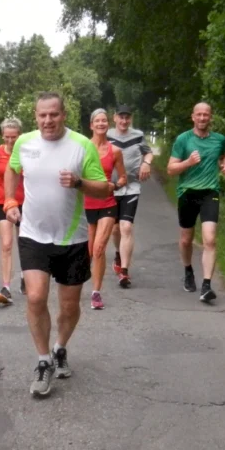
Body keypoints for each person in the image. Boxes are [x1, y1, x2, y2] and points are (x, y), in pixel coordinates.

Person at [3, 92, 112, 397]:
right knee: (36, 297)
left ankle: (60, 347)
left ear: (64, 114)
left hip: (72, 238)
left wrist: (79, 182)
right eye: (42, 115)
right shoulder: (24, 143)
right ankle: (42, 361)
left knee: (69, 306)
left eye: (54, 114)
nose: (48, 120)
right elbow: (11, 169)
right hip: (33, 234)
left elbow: (104, 190)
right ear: (35, 117)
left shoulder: (82, 145)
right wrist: (11, 199)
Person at [166, 102, 225, 304]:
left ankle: (206, 285)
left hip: (210, 193)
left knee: (210, 240)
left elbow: (223, 155)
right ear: (193, 117)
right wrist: (188, 163)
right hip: (187, 193)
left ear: (210, 117)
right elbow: (170, 170)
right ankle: (188, 270)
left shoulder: (219, 140)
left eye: (206, 115)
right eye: (199, 115)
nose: (203, 118)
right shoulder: (183, 140)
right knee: (186, 239)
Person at [107, 104, 154, 288]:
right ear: (115, 118)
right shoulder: (107, 135)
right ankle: (118, 254)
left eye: (127, 117)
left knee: (126, 227)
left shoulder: (138, 135)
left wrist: (147, 163)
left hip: (132, 187)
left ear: (130, 119)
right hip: (111, 187)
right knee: (115, 229)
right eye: (121, 117)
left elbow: (148, 152)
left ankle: (124, 272)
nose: (124, 121)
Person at [84, 109, 127, 310]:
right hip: (87, 204)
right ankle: (80, 282)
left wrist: (115, 186)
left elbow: (123, 177)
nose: (101, 124)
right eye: (97, 121)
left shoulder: (115, 151)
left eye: (104, 121)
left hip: (108, 203)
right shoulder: (83, 148)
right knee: (90, 250)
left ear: (107, 125)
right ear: (91, 125)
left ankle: (96, 293)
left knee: (100, 248)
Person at [0, 118, 26, 305]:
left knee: (24, 242)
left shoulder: (26, 152)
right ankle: (6, 287)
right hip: (2, 201)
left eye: (14, 137)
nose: (10, 141)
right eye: (7, 137)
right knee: (6, 243)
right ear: (2, 136)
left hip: (24, 202)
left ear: (20, 135)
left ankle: (24, 277)